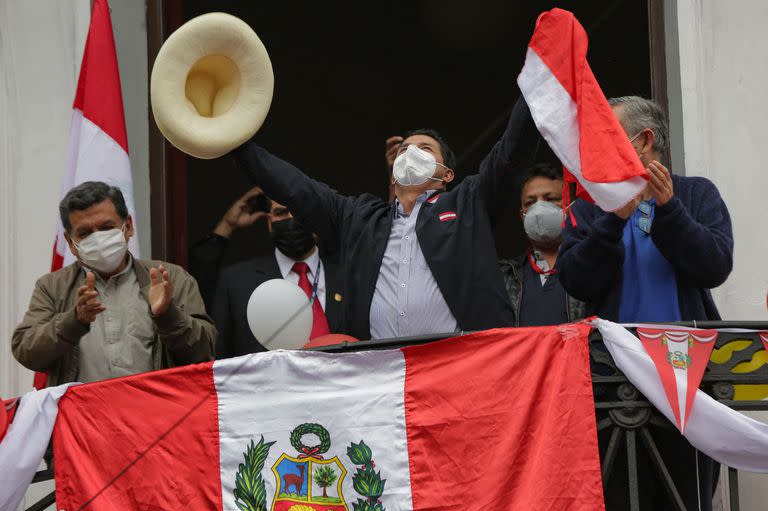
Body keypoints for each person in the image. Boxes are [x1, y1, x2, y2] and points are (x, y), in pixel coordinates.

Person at [558, 96, 733, 511]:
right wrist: (612, 223)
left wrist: (669, 209)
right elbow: (575, 278)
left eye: (605, 136)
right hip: (613, 383)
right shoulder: (590, 206)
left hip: (686, 378)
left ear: (644, 140)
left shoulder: (697, 194)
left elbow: (714, 265)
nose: (593, 148)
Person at [231, 96, 539, 340]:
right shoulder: (358, 218)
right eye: (404, 149)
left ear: (447, 174)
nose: (410, 153)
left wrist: (536, 82)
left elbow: (512, 151)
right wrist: (235, 144)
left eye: (424, 149)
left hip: (461, 368)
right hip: (382, 379)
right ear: (393, 175)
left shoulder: (468, 202)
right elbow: (296, 188)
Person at [12, 182, 216, 386]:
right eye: (85, 233)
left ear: (128, 226)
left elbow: (205, 353)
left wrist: (168, 314)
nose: (98, 239)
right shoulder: (52, 287)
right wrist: (74, 321)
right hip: (82, 415)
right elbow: (26, 351)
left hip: (154, 413)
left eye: (106, 228)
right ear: (70, 243)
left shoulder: (169, 278)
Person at [189, 187, 344, 358]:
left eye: (299, 210)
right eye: (282, 213)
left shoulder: (348, 275)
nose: (292, 220)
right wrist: (226, 226)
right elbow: (215, 352)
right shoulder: (236, 282)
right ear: (270, 223)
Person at [499, 163, 585, 326]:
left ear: (571, 206)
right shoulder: (504, 276)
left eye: (551, 199)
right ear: (522, 215)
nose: (538, 209)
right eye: (530, 203)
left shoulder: (592, 266)